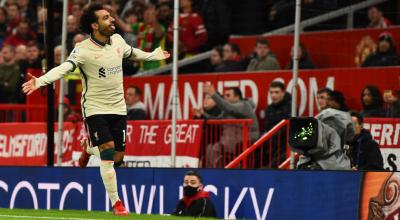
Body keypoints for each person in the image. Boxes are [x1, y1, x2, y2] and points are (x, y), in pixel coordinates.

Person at [21, 3, 170, 216]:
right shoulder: (83, 50)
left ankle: (89, 148)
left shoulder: (118, 40)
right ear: (94, 25)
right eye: (106, 18)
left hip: (118, 107)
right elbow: (65, 68)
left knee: (117, 159)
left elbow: (132, 53)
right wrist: (41, 81)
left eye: (111, 16)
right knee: (108, 152)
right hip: (94, 108)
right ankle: (117, 203)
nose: (112, 20)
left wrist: (153, 55)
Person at [203, 85, 259, 167]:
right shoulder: (226, 111)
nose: (225, 98)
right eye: (224, 95)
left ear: (237, 97)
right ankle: (216, 172)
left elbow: (229, 108)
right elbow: (218, 120)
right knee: (210, 149)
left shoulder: (244, 106)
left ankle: (226, 170)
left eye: (228, 95)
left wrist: (213, 95)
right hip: (229, 142)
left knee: (227, 145)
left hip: (245, 141)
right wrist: (202, 114)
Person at [262, 81, 291, 168]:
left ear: (283, 93)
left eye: (276, 92)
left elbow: (287, 127)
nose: (273, 95)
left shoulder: (290, 106)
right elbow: (267, 127)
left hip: (284, 143)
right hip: (271, 141)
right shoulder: (269, 108)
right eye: (271, 92)